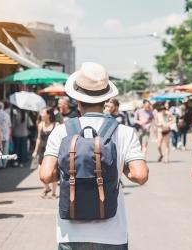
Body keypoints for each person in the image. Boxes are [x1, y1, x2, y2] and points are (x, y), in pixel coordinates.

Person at [39, 62, 149, 249]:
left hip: (70, 234)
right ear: (106, 99)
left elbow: (46, 175)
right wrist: (116, 166)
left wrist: (69, 169)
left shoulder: (61, 131)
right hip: (113, 233)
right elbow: (140, 176)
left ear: (76, 99)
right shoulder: (124, 132)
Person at [32, 107, 59, 199]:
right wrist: (35, 151)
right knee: (40, 171)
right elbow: (39, 138)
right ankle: (47, 188)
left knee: (54, 172)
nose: (41, 115)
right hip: (43, 151)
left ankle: (54, 192)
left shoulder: (56, 125)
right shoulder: (40, 125)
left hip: (53, 150)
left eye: (43, 113)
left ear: (49, 115)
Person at [0, 101, 11, 168]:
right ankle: (4, 164)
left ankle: (0, 164)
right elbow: (9, 125)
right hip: (6, 135)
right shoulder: (7, 115)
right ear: (3, 107)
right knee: (5, 150)